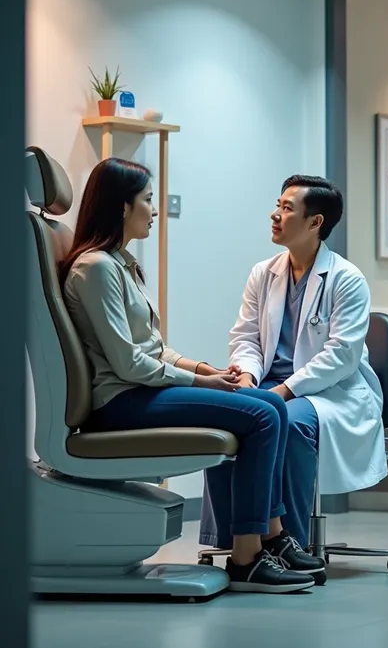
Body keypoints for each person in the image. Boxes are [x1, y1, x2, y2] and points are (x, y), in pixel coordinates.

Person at [59, 157, 324, 594]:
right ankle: (247, 558)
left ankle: (272, 536)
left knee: (273, 402)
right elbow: (129, 365)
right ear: (122, 207)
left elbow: (154, 349)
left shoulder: (119, 263)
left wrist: (206, 369)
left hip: (139, 391)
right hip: (121, 402)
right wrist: (206, 385)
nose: (155, 209)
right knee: (261, 415)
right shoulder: (97, 268)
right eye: (147, 200)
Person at [200, 175, 387, 552]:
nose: (275, 215)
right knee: (220, 415)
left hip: (331, 393)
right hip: (270, 385)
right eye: (278, 205)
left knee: (288, 422)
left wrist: (283, 391)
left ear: (315, 223)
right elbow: (246, 337)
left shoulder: (347, 279)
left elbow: (341, 356)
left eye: (287, 209)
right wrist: (249, 376)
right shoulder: (263, 273)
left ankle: (290, 546)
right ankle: (234, 542)